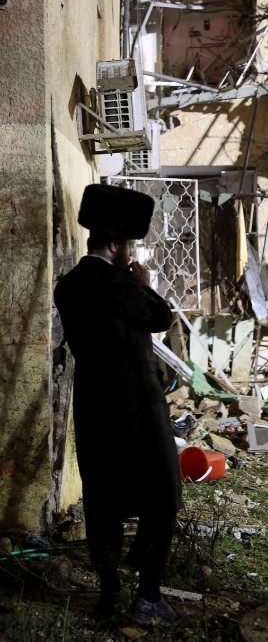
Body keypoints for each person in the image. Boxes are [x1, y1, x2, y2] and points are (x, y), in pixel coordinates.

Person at [54, 184, 182, 624]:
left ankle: (110, 592)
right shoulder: (119, 283)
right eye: (129, 245)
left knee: (102, 499)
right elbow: (160, 318)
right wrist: (142, 283)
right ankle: (147, 597)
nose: (131, 252)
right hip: (139, 406)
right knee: (162, 496)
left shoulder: (68, 285)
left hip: (93, 405)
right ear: (114, 246)